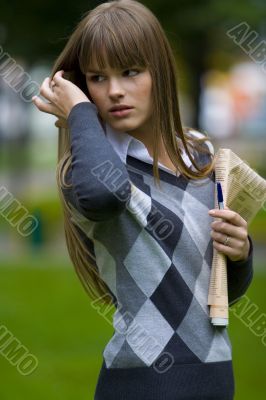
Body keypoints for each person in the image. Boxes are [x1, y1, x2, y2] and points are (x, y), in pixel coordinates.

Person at [32, 1, 254, 399]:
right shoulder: (86, 174)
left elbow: (217, 294)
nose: (115, 91)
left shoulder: (199, 154)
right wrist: (81, 113)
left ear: (160, 73)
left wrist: (240, 255)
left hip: (217, 380)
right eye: (98, 78)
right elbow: (107, 196)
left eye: (131, 72)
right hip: (142, 383)